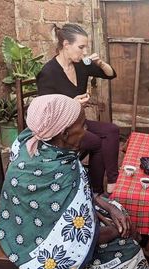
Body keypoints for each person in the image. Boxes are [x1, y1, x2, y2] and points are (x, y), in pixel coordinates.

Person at [0, 94, 149, 269]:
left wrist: (109, 207)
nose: (86, 130)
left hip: (28, 217)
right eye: (82, 125)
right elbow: (76, 236)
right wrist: (116, 231)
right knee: (122, 241)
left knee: (119, 209)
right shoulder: (58, 171)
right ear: (64, 133)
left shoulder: (37, 142)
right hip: (34, 236)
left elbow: (78, 195)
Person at [36, 23, 119, 196]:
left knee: (112, 130)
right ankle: (96, 191)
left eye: (85, 47)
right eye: (81, 47)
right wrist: (72, 104)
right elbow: (46, 115)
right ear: (66, 45)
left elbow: (111, 74)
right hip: (59, 130)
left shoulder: (81, 65)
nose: (84, 52)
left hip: (78, 124)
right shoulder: (48, 72)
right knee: (97, 143)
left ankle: (112, 180)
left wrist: (100, 63)